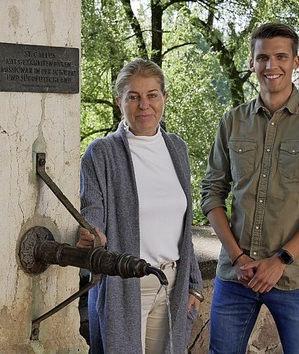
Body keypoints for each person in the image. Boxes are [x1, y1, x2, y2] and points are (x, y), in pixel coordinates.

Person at [201, 23, 299, 354]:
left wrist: (281, 259)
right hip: (236, 276)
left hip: (294, 277)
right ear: (252, 63)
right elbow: (212, 191)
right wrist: (238, 257)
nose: (272, 66)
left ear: (295, 61)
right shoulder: (232, 121)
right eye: (263, 57)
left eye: (281, 56)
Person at [76, 58, 203, 354]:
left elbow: (183, 226)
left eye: (152, 95)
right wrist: (91, 233)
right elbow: (91, 211)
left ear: (164, 99)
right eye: (133, 97)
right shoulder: (101, 153)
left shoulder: (177, 149)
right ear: (119, 100)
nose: (144, 105)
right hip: (125, 285)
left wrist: (193, 283)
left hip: (171, 284)